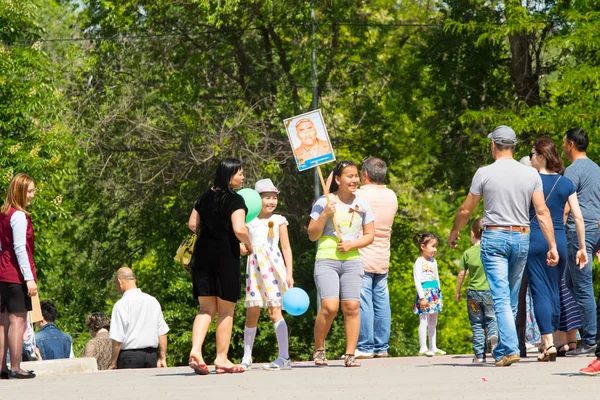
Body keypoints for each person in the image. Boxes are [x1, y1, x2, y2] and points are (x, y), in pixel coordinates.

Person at [448, 125, 558, 367]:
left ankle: (508, 349)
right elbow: (542, 211)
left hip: (495, 237)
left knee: (499, 296)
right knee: (509, 297)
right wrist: (552, 245)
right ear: (514, 146)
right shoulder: (530, 174)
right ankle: (506, 349)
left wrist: (454, 232)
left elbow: (467, 209)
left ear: (493, 145)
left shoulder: (484, 173)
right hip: (521, 237)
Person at [187, 158, 253, 375]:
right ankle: (221, 358)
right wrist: (248, 244)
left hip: (201, 257)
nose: (243, 177)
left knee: (205, 309)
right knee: (226, 310)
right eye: (239, 173)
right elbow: (240, 229)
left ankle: (196, 350)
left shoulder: (204, 196)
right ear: (229, 176)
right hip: (225, 257)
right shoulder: (236, 200)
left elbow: (193, 225)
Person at [526, 136, 587, 362]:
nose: (531, 159)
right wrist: (582, 247)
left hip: (535, 239)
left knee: (539, 290)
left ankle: (549, 343)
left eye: (532, 155)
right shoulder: (566, 183)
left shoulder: (530, 181)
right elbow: (578, 217)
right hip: (560, 240)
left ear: (541, 157)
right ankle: (556, 338)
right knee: (554, 290)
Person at [308, 160, 374, 368]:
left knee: (352, 306)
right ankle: (319, 349)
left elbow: (370, 235)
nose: (354, 180)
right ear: (337, 179)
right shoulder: (324, 201)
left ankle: (350, 354)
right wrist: (325, 214)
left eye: (356, 176)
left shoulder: (362, 203)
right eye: (349, 176)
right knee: (330, 306)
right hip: (327, 259)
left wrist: (353, 243)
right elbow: (312, 234)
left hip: (352, 260)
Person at [241, 178, 294, 371]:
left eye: (274, 197)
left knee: (275, 311)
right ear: (257, 200)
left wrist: (289, 272)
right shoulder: (248, 221)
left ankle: (284, 357)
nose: (271, 201)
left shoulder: (279, 220)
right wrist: (242, 248)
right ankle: (247, 357)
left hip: (274, 268)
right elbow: (240, 244)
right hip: (255, 270)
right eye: (267, 197)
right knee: (252, 312)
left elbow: (286, 247)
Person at [560, 128, 600, 358]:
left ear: (572, 144)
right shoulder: (596, 168)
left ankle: (590, 339)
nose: (563, 146)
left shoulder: (573, 171)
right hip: (595, 230)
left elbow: (567, 206)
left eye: (565, 143)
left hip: (578, 233)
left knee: (582, 286)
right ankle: (584, 335)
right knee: (571, 283)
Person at [354, 157, 398, 359]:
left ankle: (365, 345)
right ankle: (382, 347)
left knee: (364, 301)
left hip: (362, 253)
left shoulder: (360, 194)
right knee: (382, 301)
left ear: (365, 175)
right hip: (383, 254)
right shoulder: (392, 196)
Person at [0, 173, 38, 379]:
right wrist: (28, 277)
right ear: (20, 191)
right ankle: (15, 366)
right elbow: (20, 248)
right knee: (17, 321)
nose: (32, 195)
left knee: (2, 322)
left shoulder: (3, 214)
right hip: (15, 275)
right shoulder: (19, 216)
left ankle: (2, 369)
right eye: (30, 191)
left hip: (2, 273)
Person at [455, 218, 497, 363]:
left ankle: (479, 356)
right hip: (489, 292)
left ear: (473, 234)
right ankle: (493, 337)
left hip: (473, 294)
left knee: (477, 323)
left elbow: (461, 274)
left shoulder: (468, 253)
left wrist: (457, 291)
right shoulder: (491, 251)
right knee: (492, 318)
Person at [109, 267, 169, 369]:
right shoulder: (152, 301)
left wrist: (113, 362)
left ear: (119, 281)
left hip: (129, 357)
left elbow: (117, 338)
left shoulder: (121, 305)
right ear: (134, 280)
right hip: (151, 356)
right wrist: (162, 357)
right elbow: (162, 332)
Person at [413, 232, 445, 357]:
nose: (435, 249)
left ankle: (433, 346)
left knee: (433, 321)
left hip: (434, 293)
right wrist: (422, 297)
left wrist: (439, 292)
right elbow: (417, 279)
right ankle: (423, 347)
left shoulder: (434, 261)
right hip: (424, 294)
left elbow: (436, 277)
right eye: (432, 246)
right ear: (423, 246)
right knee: (424, 321)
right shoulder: (419, 262)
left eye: (436, 246)